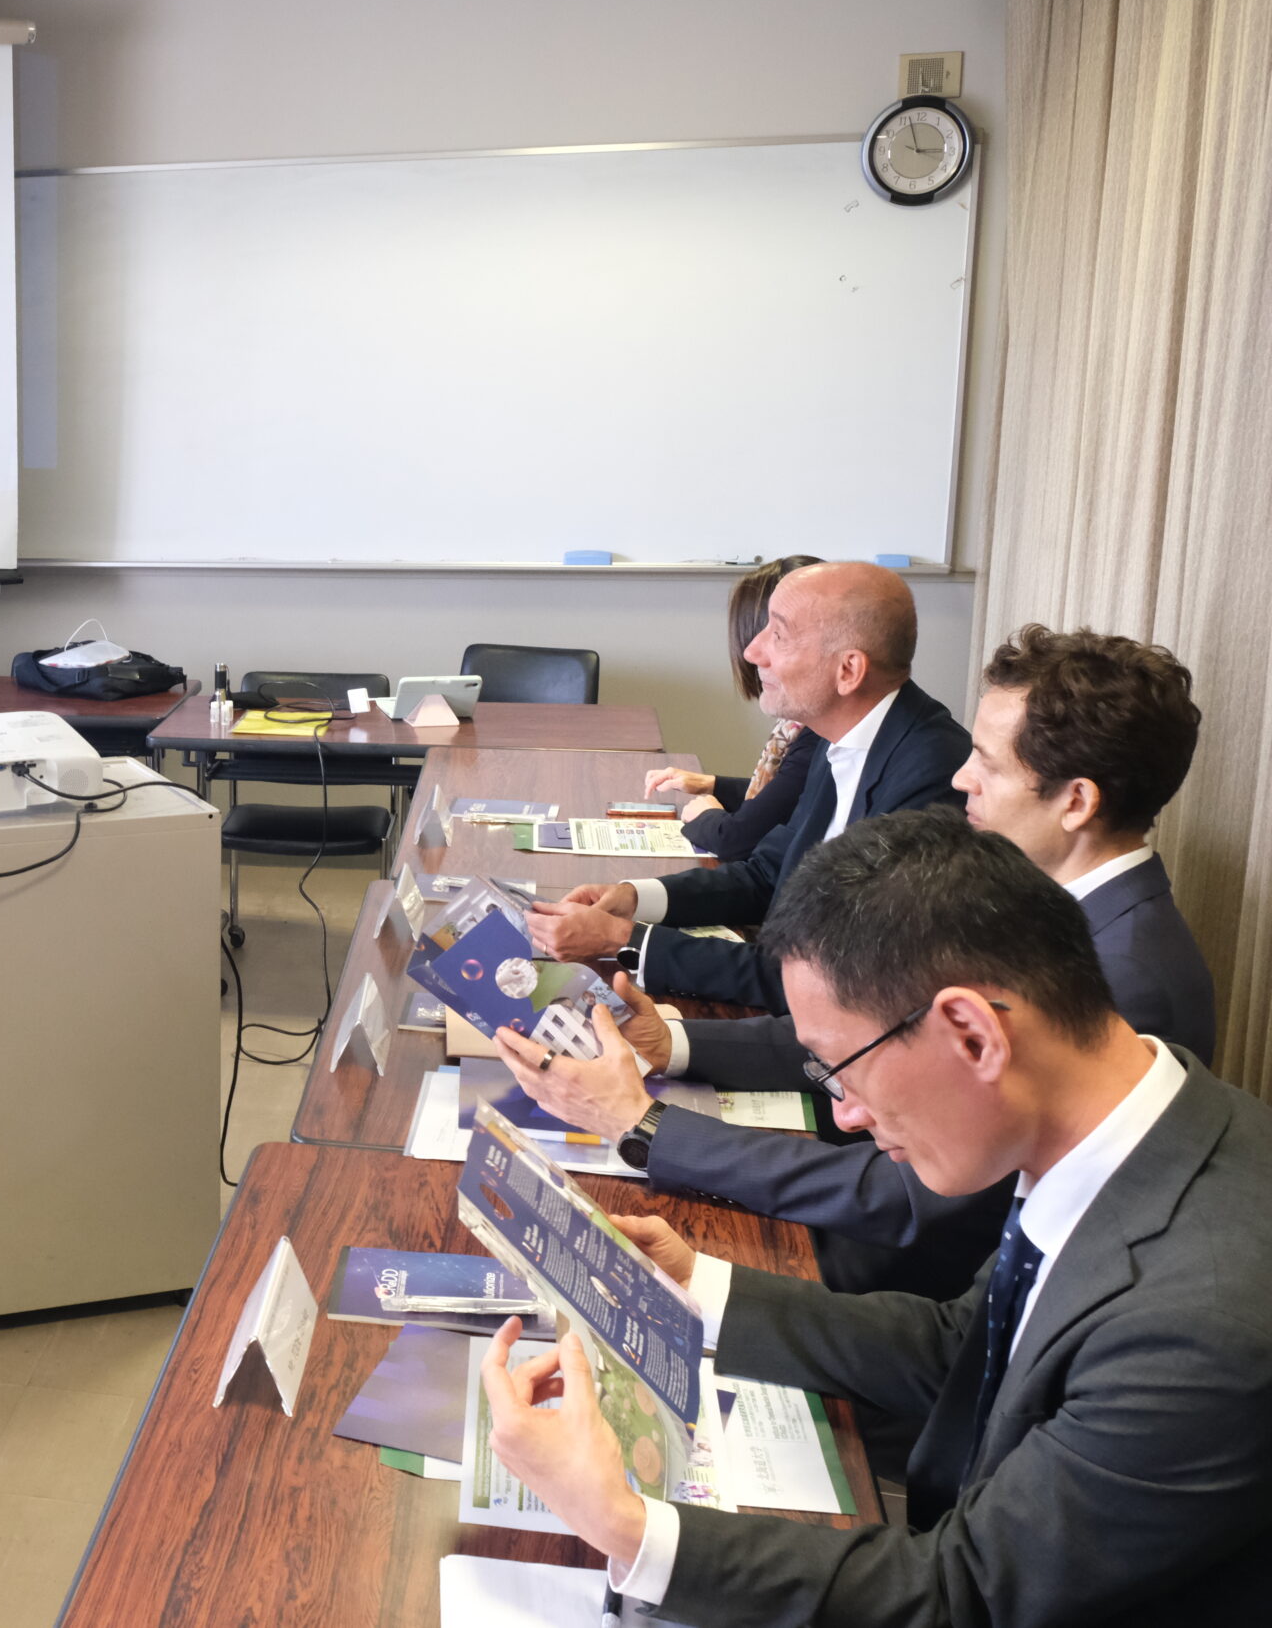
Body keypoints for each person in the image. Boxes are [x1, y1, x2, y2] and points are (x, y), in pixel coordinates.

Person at [479, 810, 1272, 1627]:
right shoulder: (1127, 1127)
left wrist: (626, 1526)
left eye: (841, 1068)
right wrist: (697, 1283)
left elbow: (968, 1594)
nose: (845, 1113)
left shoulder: (1199, 1325)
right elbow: (963, 1347)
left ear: (973, 1034)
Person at [491, 626, 1215, 1301]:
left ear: (1077, 802)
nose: (961, 778)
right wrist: (673, 1043)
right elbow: (872, 1037)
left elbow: (911, 1201)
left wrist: (647, 1124)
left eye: (988, 765)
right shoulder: (1044, 898)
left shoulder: (1132, 981)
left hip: (890, 1280)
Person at [527, 561, 969, 1010]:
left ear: (848, 670)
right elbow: (768, 875)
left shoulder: (930, 774)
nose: (753, 651)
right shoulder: (839, 731)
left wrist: (625, 939)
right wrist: (633, 898)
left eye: (778, 634)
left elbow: (830, 979)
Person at [643, 555, 824, 860]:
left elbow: (736, 839)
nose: (752, 653)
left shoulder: (819, 732)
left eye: (776, 636)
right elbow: (784, 797)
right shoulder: (797, 725)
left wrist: (706, 815)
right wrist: (711, 784)